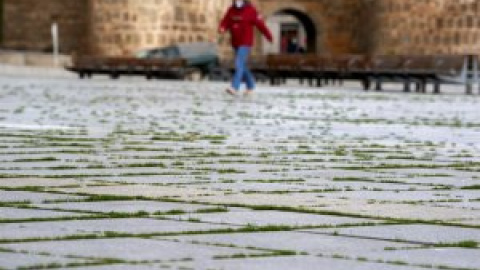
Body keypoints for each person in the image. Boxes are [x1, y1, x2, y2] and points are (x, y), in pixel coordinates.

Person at [219, 0, 273, 96]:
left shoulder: (251, 10)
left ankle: (234, 87)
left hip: (246, 42)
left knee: (238, 63)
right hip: (235, 42)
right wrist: (222, 28)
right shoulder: (231, 10)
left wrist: (268, 36)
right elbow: (225, 21)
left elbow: (260, 25)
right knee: (242, 66)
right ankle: (251, 86)